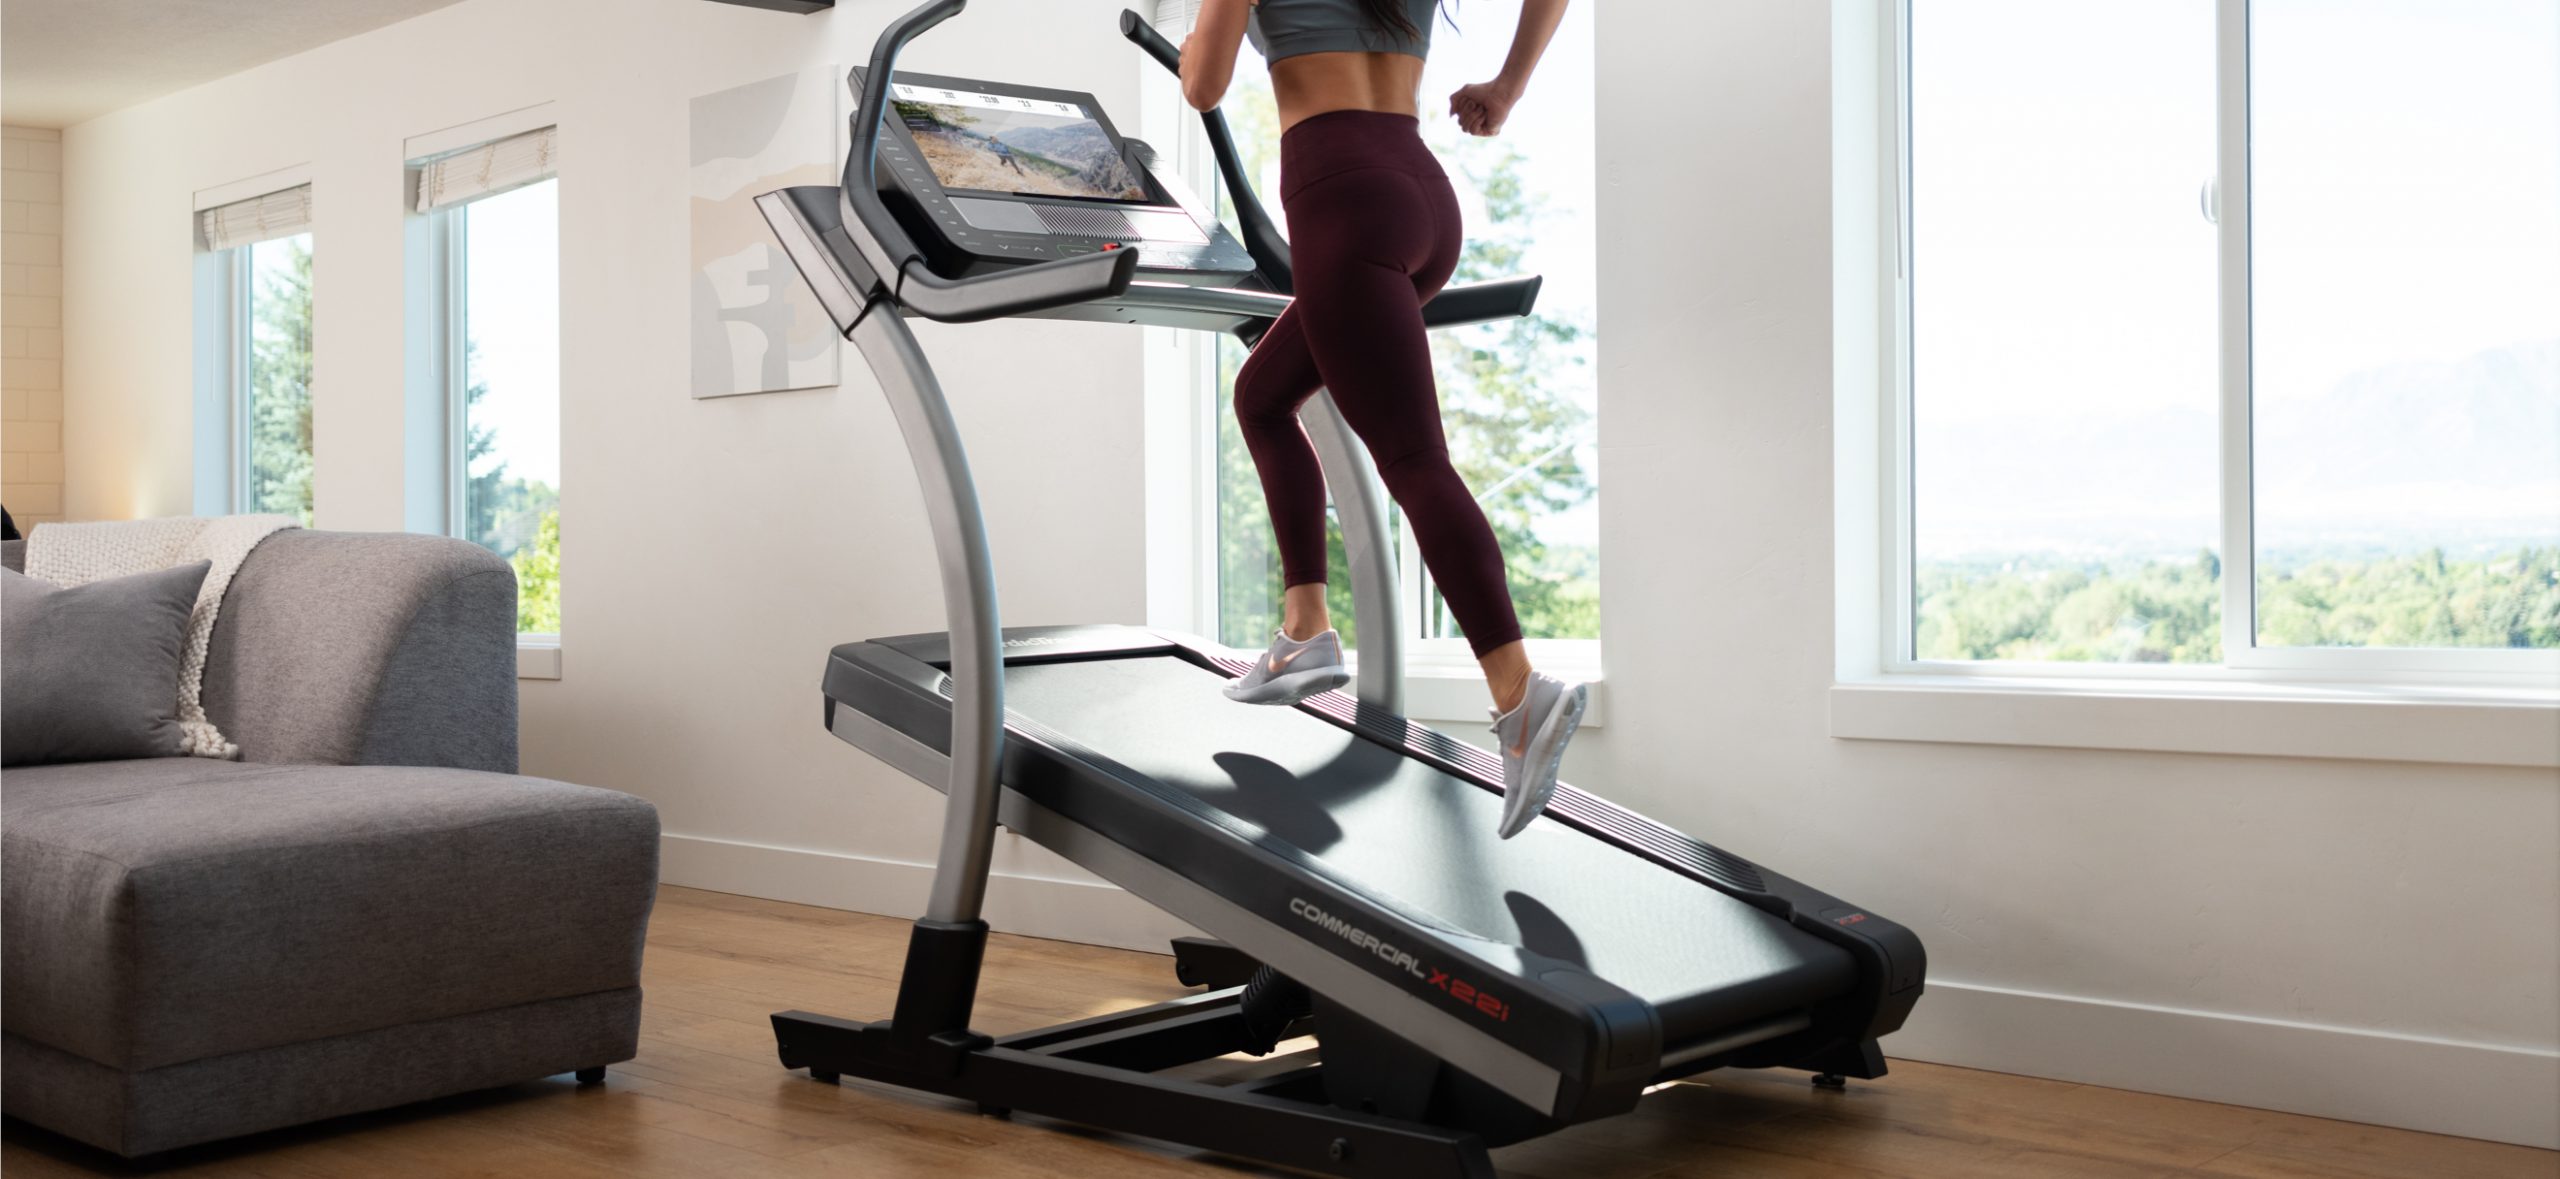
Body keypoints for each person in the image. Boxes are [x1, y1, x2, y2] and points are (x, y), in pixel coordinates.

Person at [1181, 0, 1579, 839]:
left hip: (1341, 197)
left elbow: (1203, 84)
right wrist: (1505, 89)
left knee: (1413, 460)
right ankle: (1306, 629)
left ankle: (1520, 694)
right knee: (1262, 396)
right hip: (1423, 197)